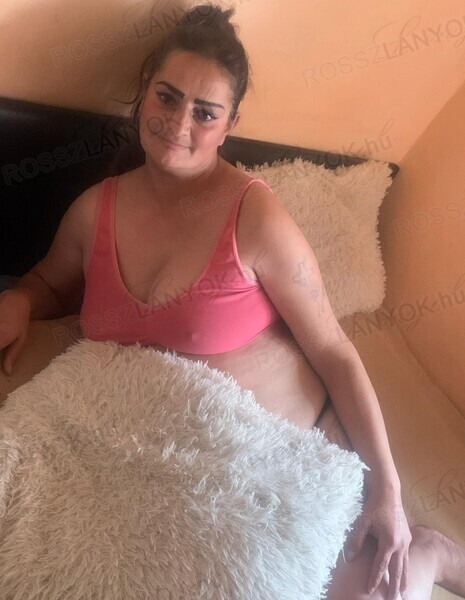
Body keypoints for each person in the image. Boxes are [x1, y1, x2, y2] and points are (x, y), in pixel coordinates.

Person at [1, 4, 464, 599]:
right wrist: (20, 298)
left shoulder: (256, 217)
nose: (179, 122)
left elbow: (333, 349)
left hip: (271, 457)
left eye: (205, 112)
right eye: (167, 97)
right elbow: (49, 282)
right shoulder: (96, 209)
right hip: (154, 455)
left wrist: (389, 493)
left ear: (229, 124)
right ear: (145, 93)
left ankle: (432, 549)